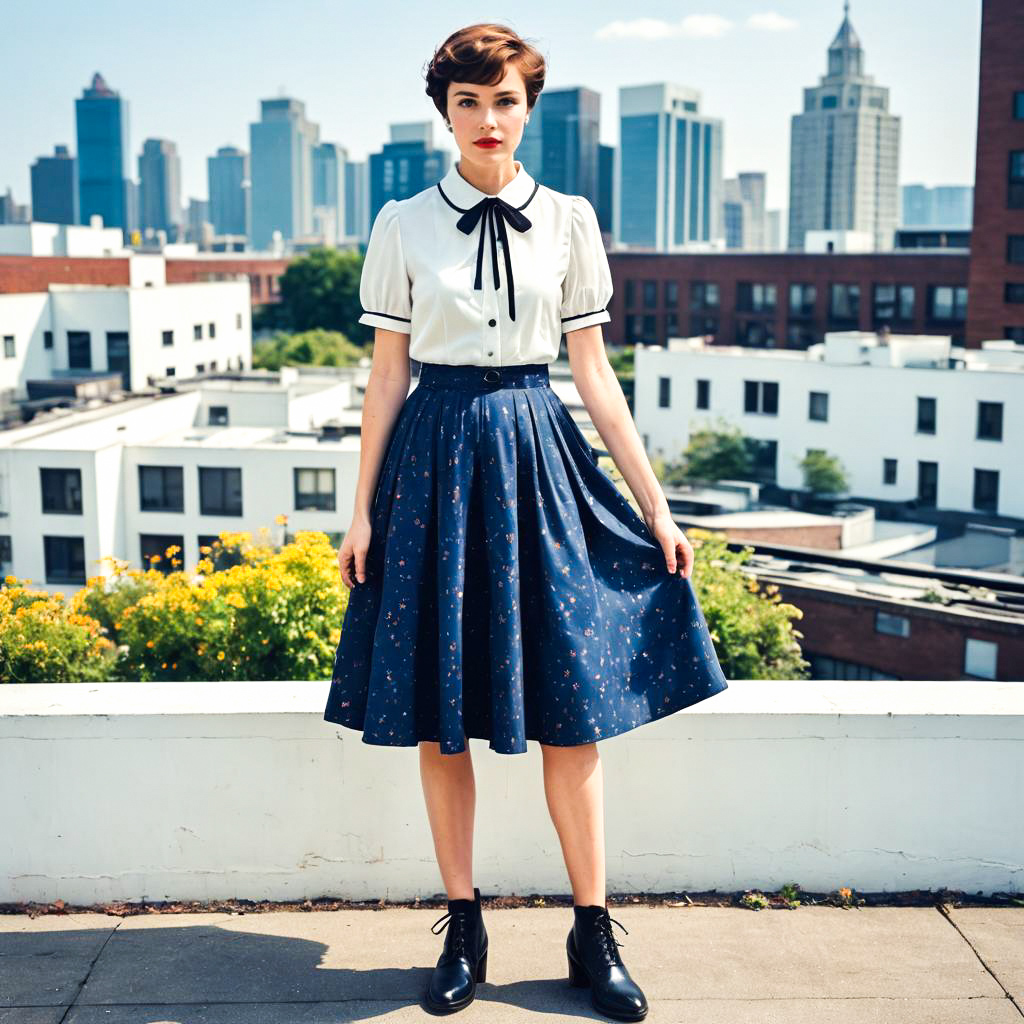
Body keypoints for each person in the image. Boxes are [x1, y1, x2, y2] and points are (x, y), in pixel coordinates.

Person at [323, 22, 729, 1021]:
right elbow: (384, 377)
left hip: (540, 459)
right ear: (445, 114)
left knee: (572, 709)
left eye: (504, 101)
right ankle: (463, 925)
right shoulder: (402, 221)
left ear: (527, 106)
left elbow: (596, 378)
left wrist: (656, 506)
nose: (488, 121)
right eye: (468, 103)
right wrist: (360, 513)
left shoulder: (571, 221)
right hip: (435, 459)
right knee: (440, 718)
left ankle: (592, 932)